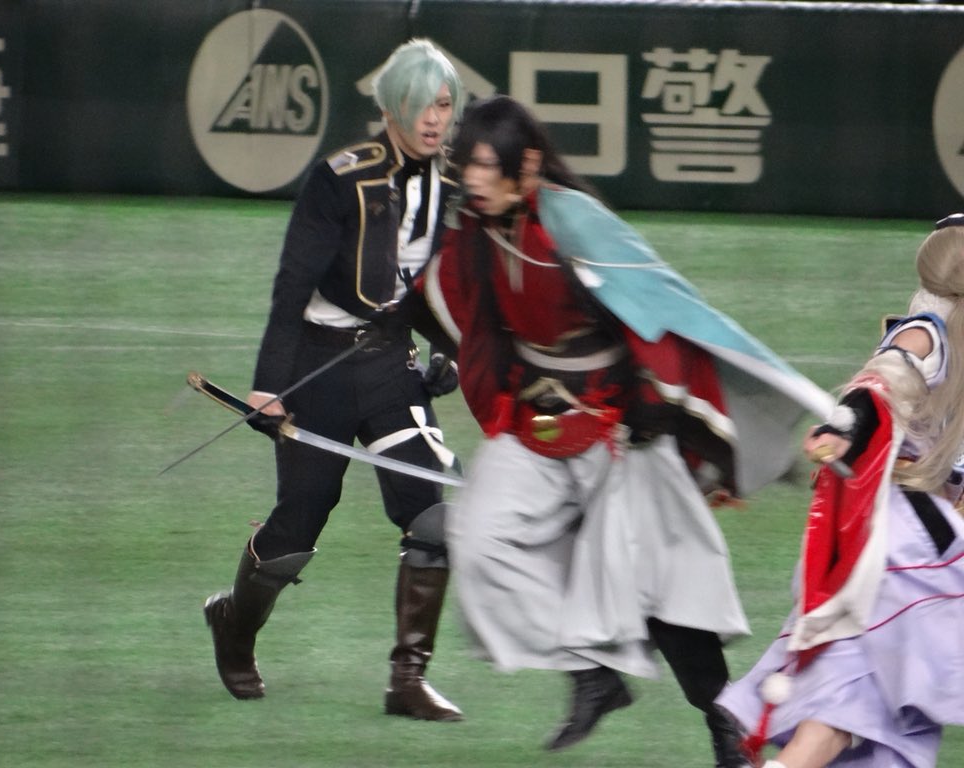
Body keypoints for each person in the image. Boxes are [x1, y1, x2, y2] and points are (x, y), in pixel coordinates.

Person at [411, 95, 834, 764]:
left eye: (489, 166)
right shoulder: (475, 229)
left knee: (663, 598)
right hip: (535, 425)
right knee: (480, 536)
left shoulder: (576, 222)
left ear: (527, 164)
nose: (475, 178)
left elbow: (658, 308)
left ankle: (726, 727)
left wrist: (656, 405)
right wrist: (389, 319)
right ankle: (592, 674)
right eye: (470, 165)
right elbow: (450, 297)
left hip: (623, 428)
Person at [202, 39, 466, 722]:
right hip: (316, 369)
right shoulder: (339, 179)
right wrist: (267, 385)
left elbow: (431, 286)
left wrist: (449, 352)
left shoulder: (447, 185)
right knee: (299, 523)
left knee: (434, 516)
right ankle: (234, 626)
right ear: (392, 107)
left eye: (443, 104)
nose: (433, 118)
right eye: (421, 104)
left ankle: (407, 681)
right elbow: (292, 284)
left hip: (390, 367)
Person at [716, 216, 964, 768]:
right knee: (845, 712)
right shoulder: (925, 333)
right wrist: (843, 427)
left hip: (900, 540)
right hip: (900, 548)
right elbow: (877, 385)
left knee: (841, 712)